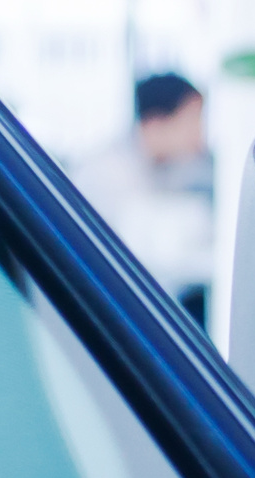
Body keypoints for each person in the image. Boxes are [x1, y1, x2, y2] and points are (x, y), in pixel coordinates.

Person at [69, 73, 220, 321]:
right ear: (155, 123)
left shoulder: (176, 168)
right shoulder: (106, 174)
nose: (199, 135)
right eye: (191, 121)